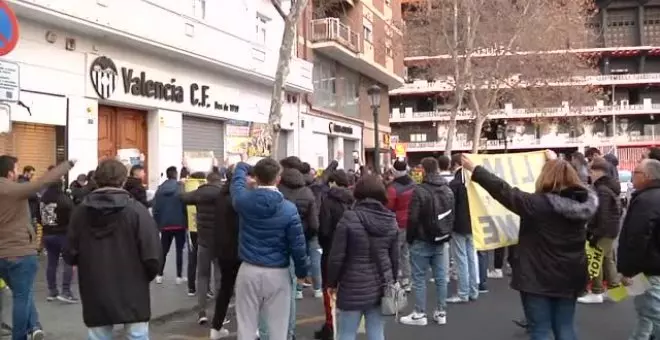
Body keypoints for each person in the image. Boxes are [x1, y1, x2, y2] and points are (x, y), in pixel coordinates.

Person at [461, 151, 597, 340]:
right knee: (565, 327)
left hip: (537, 277)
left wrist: (475, 170)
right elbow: (582, 187)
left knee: (540, 329)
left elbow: (504, 191)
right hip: (571, 275)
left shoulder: (538, 205)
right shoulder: (585, 204)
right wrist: (557, 163)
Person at [64, 158, 161, 340]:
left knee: (98, 335)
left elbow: (70, 252)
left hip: (95, 284)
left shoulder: (81, 212)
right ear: (123, 180)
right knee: (137, 334)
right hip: (133, 286)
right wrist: (144, 277)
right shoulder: (136, 211)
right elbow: (152, 254)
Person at [231, 158, 308, 340]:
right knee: (278, 328)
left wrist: (244, 165)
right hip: (278, 273)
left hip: (248, 269)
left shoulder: (243, 201)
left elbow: (237, 181)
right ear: (278, 179)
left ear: (256, 178)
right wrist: (301, 271)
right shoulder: (289, 209)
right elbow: (297, 244)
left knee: (246, 326)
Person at [0, 156, 73, 340]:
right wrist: (67, 164)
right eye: (16, 169)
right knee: (21, 297)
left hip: (2, 254)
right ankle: (20, 336)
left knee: (21, 293)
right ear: (10, 173)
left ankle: (34, 326)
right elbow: (42, 182)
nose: (18, 172)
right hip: (19, 252)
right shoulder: (12, 189)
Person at [327, 175, 398, 340]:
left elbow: (337, 256)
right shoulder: (390, 219)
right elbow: (395, 257)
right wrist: (392, 280)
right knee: (376, 331)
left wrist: (332, 282)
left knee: (347, 332)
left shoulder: (349, 217)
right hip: (381, 283)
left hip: (352, 284)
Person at [399, 157, 454, 326]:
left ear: (423, 170)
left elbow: (413, 218)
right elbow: (452, 215)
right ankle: (441, 311)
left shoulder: (420, 190)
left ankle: (419, 313)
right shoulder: (447, 189)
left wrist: (410, 238)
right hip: (441, 238)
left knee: (419, 277)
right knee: (440, 277)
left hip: (422, 239)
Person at [618, 158, 660, 340]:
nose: (632, 176)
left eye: (636, 173)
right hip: (653, 264)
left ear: (647, 176)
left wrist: (628, 270)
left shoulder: (646, 200)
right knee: (647, 312)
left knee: (653, 311)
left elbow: (637, 237)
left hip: (649, 267)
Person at [315, 170, 354, 340]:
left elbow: (323, 230)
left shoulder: (328, 201)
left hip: (331, 251)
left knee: (329, 289)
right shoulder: (354, 201)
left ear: (333, 183)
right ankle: (346, 326)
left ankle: (331, 325)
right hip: (352, 252)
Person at [181, 172, 224, 325]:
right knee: (219, 277)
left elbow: (183, 197)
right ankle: (220, 314)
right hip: (220, 242)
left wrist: (182, 184)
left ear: (207, 180)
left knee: (202, 276)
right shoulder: (223, 194)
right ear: (219, 181)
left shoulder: (199, 193)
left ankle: (202, 313)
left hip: (203, 240)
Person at [578, 157, 622, 304]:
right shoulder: (610, 186)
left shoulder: (601, 190)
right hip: (610, 230)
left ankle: (597, 291)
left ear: (599, 171)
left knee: (595, 258)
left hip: (602, 230)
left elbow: (601, 214)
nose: (589, 174)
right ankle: (614, 290)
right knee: (607, 259)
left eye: (591, 170)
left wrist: (595, 233)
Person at [278, 156, 320, 300]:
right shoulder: (307, 192)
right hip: (304, 232)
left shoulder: (278, 190)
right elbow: (314, 221)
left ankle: (293, 289)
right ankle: (310, 288)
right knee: (307, 261)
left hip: (282, 234)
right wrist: (311, 233)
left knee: (287, 262)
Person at [210, 165, 241, 339]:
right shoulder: (238, 198)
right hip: (238, 249)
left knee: (225, 289)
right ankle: (251, 329)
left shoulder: (220, 195)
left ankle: (216, 327)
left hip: (222, 249)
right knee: (245, 291)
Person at [445, 155, 479, 303]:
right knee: (472, 257)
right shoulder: (473, 182)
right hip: (474, 223)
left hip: (459, 225)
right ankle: (473, 290)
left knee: (461, 259)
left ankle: (463, 292)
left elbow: (450, 207)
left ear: (455, 165)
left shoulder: (454, 184)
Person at [40, 179, 77, 303]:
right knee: (68, 262)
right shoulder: (65, 199)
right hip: (63, 234)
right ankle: (66, 291)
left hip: (47, 234)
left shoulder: (43, 199)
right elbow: (73, 218)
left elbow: (38, 215)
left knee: (52, 263)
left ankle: (52, 290)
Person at [152, 166, 188, 284]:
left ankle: (159, 275)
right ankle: (178, 276)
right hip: (179, 224)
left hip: (165, 224)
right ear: (175, 174)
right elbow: (185, 205)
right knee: (179, 250)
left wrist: (158, 224)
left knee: (163, 250)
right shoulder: (180, 187)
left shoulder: (160, 189)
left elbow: (155, 208)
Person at [386, 158, 415, 291]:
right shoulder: (413, 184)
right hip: (411, 221)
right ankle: (407, 280)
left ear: (394, 171)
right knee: (406, 253)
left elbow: (389, 206)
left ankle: (395, 279)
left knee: (395, 252)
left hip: (397, 222)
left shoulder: (393, 188)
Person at [184, 171, 206, 296]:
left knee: (192, 258)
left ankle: (191, 287)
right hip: (205, 228)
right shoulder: (207, 193)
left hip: (191, 228)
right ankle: (206, 288)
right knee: (205, 259)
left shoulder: (188, 190)